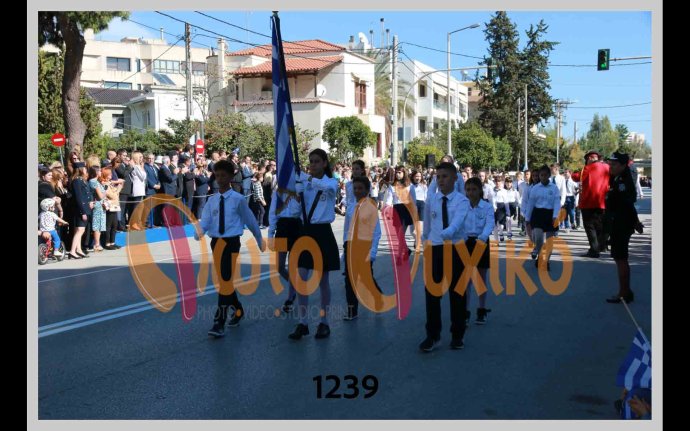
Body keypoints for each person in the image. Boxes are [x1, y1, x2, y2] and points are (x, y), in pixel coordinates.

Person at [197, 160, 266, 338]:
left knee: (225, 280)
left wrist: (259, 238)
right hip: (216, 243)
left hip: (231, 242)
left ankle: (219, 322)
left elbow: (250, 219)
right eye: (217, 175)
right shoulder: (212, 200)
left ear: (230, 177)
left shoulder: (238, 199)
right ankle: (238, 310)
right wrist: (200, 232)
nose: (219, 179)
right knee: (224, 281)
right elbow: (206, 220)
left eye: (223, 175)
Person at [288, 149, 340, 340]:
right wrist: (297, 196)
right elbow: (295, 212)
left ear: (325, 163)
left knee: (322, 281)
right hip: (305, 232)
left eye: (317, 161)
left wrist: (307, 179)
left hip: (322, 233)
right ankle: (303, 323)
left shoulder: (331, 182)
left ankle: (324, 322)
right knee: (301, 278)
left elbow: (327, 188)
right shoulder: (305, 184)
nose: (313, 165)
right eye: (311, 161)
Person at [419, 162, 470, 352]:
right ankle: (433, 335)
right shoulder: (432, 199)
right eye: (438, 177)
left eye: (445, 176)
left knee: (457, 294)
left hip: (456, 249)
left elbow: (457, 222)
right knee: (432, 294)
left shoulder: (462, 201)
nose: (441, 180)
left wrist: (448, 232)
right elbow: (427, 226)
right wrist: (425, 243)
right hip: (436, 249)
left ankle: (457, 335)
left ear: (455, 178)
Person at [342, 176, 383, 320]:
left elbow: (376, 232)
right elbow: (347, 229)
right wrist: (345, 247)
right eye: (355, 188)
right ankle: (352, 310)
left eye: (360, 188)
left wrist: (373, 252)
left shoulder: (371, 207)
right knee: (349, 279)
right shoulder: (351, 206)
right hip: (351, 245)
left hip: (365, 246)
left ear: (367, 190)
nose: (357, 191)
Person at [604, 152, 640, 304]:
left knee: (621, 258)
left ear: (623, 165)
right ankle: (626, 291)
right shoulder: (618, 178)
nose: (611, 166)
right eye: (610, 164)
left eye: (614, 164)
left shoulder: (623, 181)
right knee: (619, 258)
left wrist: (635, 221)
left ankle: (624, 292)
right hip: (618, 223)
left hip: (621, 224)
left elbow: (627, 204)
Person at [267, 176, 304, 314]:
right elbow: (272, 213)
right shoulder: (278, 193)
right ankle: (296, 286)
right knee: (280, 266)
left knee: (293, 267)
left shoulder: (300, 191)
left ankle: (290, 297)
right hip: (282, 227)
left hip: (296, 227)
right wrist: (270, 234)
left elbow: (301, 212)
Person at [463, 177, 494, 325]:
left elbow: (489, 224)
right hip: (465, 242)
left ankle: (481, 309)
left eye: (474, 189)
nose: (471, 192)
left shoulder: (486, 206)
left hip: (481, 242)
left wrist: (482, 237)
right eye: (468, 189)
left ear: (480, 190)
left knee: (480, 278)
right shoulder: (462, 206)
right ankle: (465, 311)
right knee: (466, 279)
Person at [523, 165, 561, 271]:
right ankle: (539, 256)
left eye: (545, 175)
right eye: (541, 175)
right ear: (539, 176)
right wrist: (527, 218)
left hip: (550, 214)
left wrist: (555, 216)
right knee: (538, 238)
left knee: (549, 240)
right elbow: (531, 203)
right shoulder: (535, 188)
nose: (543, 177)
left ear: (549, 175)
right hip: (538, 214)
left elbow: (557, 203)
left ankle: (547, 261)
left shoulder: (554, 188)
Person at [579, 151, 610, 258]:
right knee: (599, 225)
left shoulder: (587, 168)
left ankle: (594, 250)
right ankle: (602, 246)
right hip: (602, 202)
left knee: (590, 227)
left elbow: (576, 177)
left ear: (589, 158)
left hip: (588, 203)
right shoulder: (607, 167)